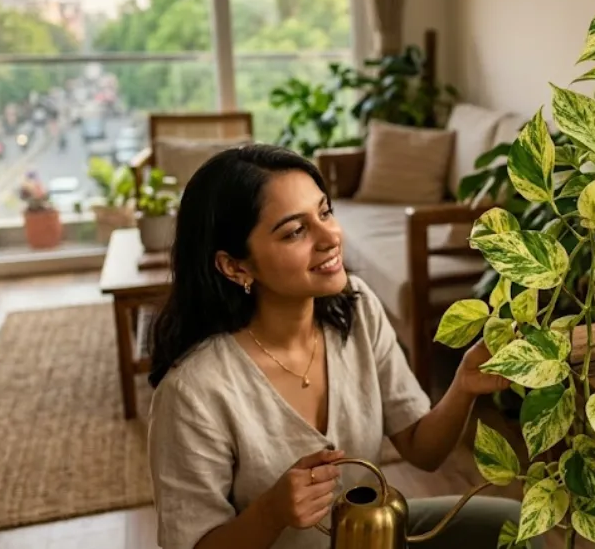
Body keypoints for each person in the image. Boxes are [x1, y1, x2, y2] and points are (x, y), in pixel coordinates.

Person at [147, 144, 526, 549]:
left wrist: (463, 385)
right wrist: (271, 512)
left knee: (515, 525)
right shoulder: (193, 391)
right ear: (235, 266)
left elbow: (422, 448)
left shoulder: (357, 308)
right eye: (296, 231)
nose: (331, 237)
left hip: (370, 537)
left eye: (325, 212)